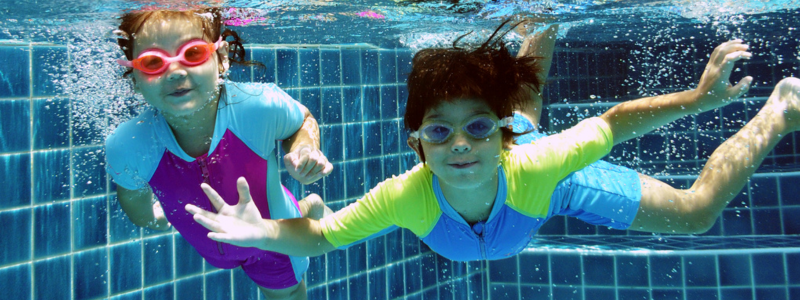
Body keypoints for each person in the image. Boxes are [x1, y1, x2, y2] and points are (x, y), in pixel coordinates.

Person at [184, 20, 800, 263]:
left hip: (541, 185)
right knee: (523, 112)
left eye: (477, 126)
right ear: (416, 144)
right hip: (517, 162)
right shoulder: (407, 195)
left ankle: (780, 111)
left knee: (694, 214)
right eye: (439, 132)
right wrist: (266, 230)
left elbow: (612, 124)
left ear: (495, 133)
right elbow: (320, 236)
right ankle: (540, 20)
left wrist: (700, 101)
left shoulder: (533, 161)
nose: (458, 145)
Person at [104, 8, 332, 300]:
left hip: (275, 241)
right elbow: (137, 204)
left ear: (221, 57)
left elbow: (301, 120)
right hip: (213, 249)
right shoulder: (129, 145)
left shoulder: (257, 107)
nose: (175, 71)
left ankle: (304, 210)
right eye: (152, 62)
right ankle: (306, 208)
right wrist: (164, 217)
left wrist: (304, 148)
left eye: (193, 53)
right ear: (134, 77)